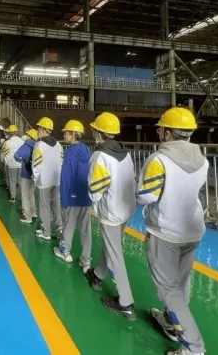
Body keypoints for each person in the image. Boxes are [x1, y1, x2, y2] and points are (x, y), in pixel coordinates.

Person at [137, 107, 209, 355]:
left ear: (167, 133)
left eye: (161, 129)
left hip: (165, 231)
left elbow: (146, 196)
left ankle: (194, 348)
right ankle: (170, 322)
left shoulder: (159, 160)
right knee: (181, 281)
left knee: (168, 290)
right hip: (192, 230)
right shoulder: (203, 160)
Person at [84, 112, 137, 320]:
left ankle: (126, 303)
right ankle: (97, 275)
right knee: (112, 247)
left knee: (115, 254)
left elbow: (95, 189)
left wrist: (95, 203)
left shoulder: (100, 156)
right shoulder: (125, 153)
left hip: (110, 213)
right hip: (125, 210)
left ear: (98, 132)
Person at [53, 120, 92, 268]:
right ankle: (86, 259)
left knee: (68, 225)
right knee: (85, 229)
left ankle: (65, 252)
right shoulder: (87, 151)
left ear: (74, 134)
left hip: (72, 196)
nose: (64, 134)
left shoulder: (70, 152)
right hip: (86, 196)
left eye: (67, 132)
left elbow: (66, 177)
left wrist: (64, 198)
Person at [32, 117, 63, 241]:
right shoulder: (59, 145)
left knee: (44, 206)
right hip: (57, 180)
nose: (38, 131)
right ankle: (60, 228)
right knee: (56, 205)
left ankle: (46, 232)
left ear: (44, 130)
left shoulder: (39, 145)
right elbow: (61, 162)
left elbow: (36, 165)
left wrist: (36, 179)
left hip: (43, 181)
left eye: (39, 129)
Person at [14, 129, 39, 223]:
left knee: (25, 195)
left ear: (30, 137)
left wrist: (21, 161)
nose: (25, 136)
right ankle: (34, 212)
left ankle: (27, 216)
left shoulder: (25, 146)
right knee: (31, 193)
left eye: (27, 135)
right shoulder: (38, 146)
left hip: (26, 174)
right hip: (35, 175)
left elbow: (16, 155)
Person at [2, 125, 24, 203]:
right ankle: (24, 197)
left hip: (12, 164)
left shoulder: (7, 143)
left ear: (9, 133)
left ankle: (13, 197)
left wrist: (6, 163)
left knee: (12, 181)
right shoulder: (22, 141)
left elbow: (6, 155)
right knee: (21, 181)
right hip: (21, 164)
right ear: (16, 132)